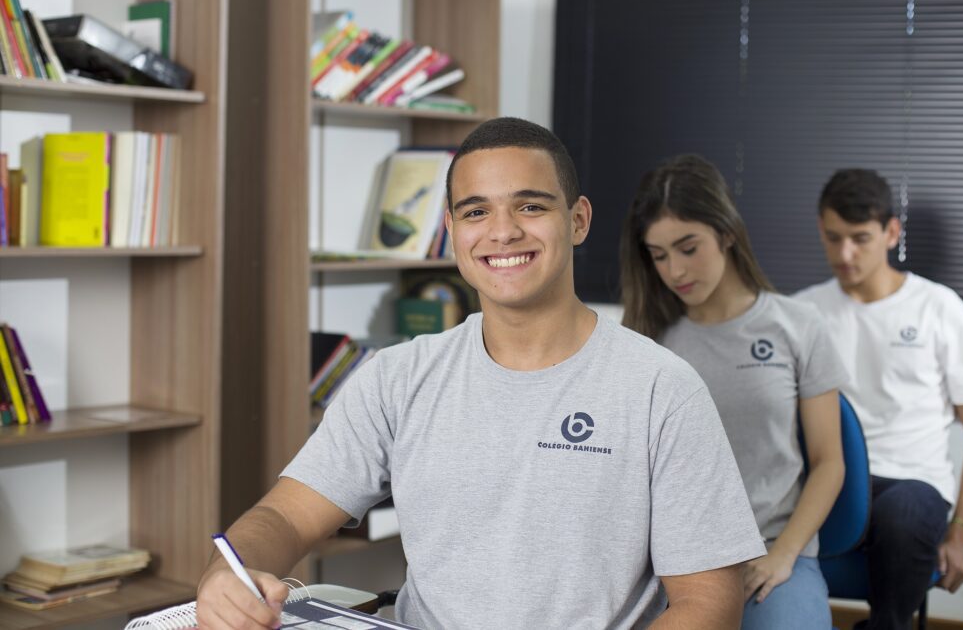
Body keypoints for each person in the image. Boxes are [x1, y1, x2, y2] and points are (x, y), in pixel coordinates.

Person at [196, 118, 765, 629]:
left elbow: (708, 604)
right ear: (452, 230)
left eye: (531, 206)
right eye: (476, 211)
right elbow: (284, 517)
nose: (503, 232)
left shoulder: (661, 388)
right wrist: (228, 575)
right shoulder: (397, 378)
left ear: (578, 220)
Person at [620, 154, 846, 630]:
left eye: (688, 247)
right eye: (659, 255)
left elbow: (829, 462)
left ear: (725, 233)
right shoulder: (646, 339)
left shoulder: (798, 325)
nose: (675, 269)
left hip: (772, 550)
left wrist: (784, 556)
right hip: (673, 561)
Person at [794, 168, 963, 630]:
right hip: (830, 479)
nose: (844, 254)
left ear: (891, 232)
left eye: (859, 238)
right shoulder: (802, 312)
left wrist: (960, 534)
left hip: (912, 483)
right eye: (833, 238)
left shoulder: (939, 308)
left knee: (902, 513)